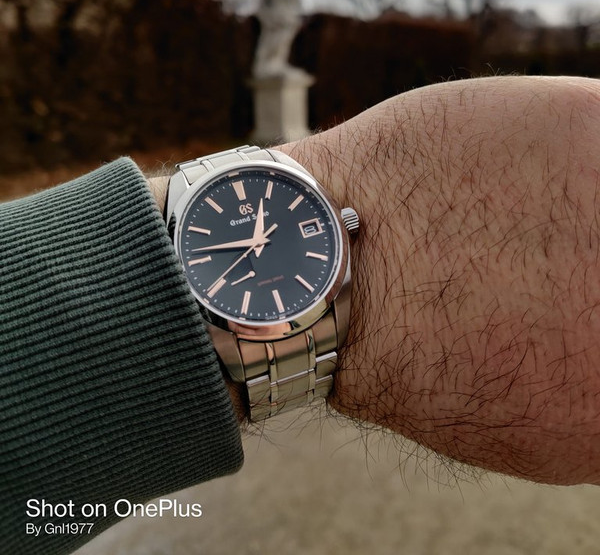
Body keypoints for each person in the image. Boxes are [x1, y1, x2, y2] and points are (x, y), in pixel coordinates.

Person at [3, 75, 600, 555]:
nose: (257, 242)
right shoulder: (297, 263)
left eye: (260, 237)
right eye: (252, 239)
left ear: (345, 226)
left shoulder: (324, 245)